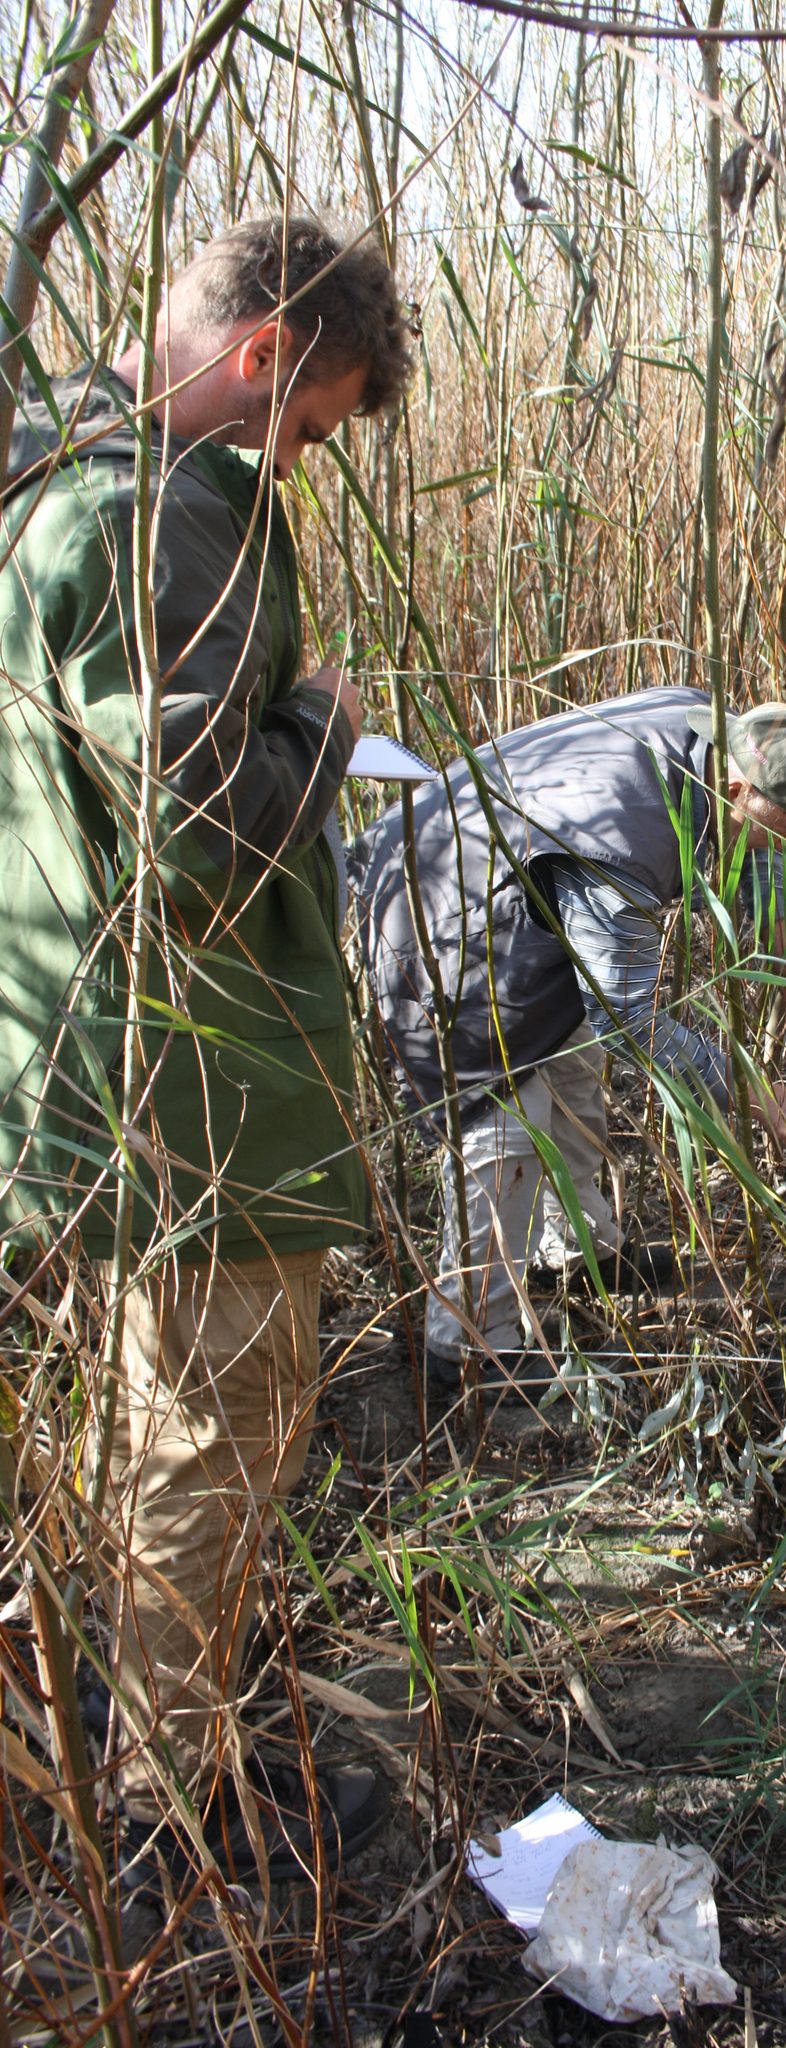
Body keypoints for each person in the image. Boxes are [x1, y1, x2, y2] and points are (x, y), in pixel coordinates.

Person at [0, 216, 413, 1885]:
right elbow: (200, 836)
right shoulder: (170, 514)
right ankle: (173, 1805)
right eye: (308, 426)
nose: (298, 462)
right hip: (196, 1089)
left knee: (143, 1424)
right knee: (221, 1435)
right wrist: (320, 727)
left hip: (80, 1075)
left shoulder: (43, 483)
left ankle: (81, 1748)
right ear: (260, 359)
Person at [351, 686, 786, 1404]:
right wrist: (761, 1098)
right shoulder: (627, 839)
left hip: (529, 890)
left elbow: (758, 827)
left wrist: (778, 916)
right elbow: (630, 1020)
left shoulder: (716, 726)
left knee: (575, 1066)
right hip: (442, 916)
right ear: (735, 784)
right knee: (505, 1119)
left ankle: (577, 1253)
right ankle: (469, 1349)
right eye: (785, 829)